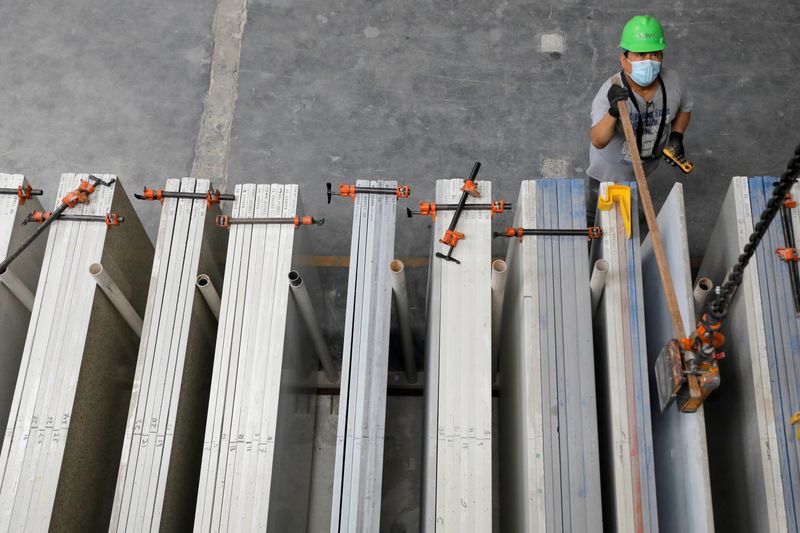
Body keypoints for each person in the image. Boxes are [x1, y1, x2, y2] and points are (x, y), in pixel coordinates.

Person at [586, 15, 693, 224]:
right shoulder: (610, 90)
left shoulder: (674, 81)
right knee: (594, 216)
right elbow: (598, 140)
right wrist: (613, 112)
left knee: (632, 218)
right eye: (640, 54)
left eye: (654, 54)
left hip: (645, 166)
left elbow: (686, 107)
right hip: (608, 171)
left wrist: (677, 136)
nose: (649, 61)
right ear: (624, 59)